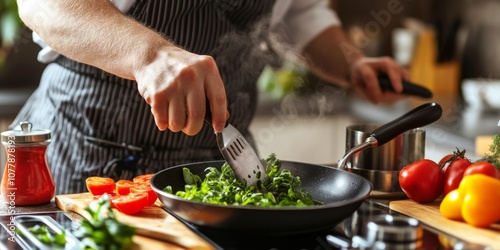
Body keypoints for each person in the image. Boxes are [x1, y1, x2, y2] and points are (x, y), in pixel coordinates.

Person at [14, 0, 409, 194]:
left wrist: (351, 63)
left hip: (218, 162)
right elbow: (44, 5)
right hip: (90, 147)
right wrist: (150, 56)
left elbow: (302, 14)